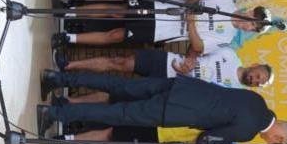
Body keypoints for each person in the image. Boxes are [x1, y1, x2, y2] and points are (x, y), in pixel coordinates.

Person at [35, 70, 287, 144]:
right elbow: (207, 138)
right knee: (117, 114)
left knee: (119, 85)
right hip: (175, 111)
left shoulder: (258, 100)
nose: (270, 143)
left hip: (184, 87)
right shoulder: (248, 132)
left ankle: (57, 78)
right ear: (278, 138)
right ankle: (55, 114)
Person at [42, 0, 273, 49]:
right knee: (117, 10)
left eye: (253, 28)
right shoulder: (226, 1)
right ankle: (70, 11)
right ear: (250, 12)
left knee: (115, 35)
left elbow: (198, 46)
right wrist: (192, 9)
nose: (249, 25)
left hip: (160, 32)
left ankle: (68, 38)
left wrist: (191, 22)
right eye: (253, 20)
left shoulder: (228, 37)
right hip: (160, 8)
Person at [46, 47, 272, 88]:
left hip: (168, 87)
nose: (254, 79)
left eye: (258, 82)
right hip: (168, 62)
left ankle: (66, 83)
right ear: (255, 65)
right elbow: (198, 47)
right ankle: (68, 65)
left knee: (116, 88)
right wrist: (189, 61)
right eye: (258, 75)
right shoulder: (230, 54)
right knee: (120, 63)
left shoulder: (235, 91)